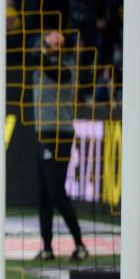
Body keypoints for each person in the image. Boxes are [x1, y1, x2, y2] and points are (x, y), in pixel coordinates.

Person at [30, 31, 88, 262]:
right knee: (43, 192)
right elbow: (34, 57)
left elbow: (48, 66)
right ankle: (47, 247)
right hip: (42, 133)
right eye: (50, 41)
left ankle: (79, 244)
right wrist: (43, 45)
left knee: (56, 191)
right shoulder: (40, 63)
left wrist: (45, 46)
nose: (54, 44)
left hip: (59, 134)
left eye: (58, 42)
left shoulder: (67, 69)